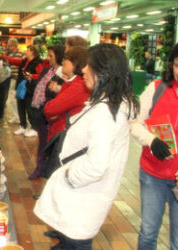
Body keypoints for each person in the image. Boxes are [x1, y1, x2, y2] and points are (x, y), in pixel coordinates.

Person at [34, 43, 139, 250]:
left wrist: (68, 176)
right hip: (84, 198)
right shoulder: (112, 104)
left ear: (103, 71)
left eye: (88, 66)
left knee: (75, 243)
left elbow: (95, 166)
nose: (83, 70)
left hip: (82, 198)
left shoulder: (106, 112)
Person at [130, 43, 178, 250]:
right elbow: (134, 123)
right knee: (148, 233)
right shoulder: (157, 88)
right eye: (177, 65)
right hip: (153, 175)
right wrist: (152, 141)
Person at [28, 45, 65, 179]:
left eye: (51, 56)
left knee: (46, 144)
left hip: (50, 115)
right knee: (42, 141)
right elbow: (39, 86)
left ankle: (43, 170)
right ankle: (40, 168)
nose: (48, 58)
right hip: (39, 112)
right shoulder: (47, 70)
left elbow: (59, 95)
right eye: (48, 55)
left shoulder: (61, 74)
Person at [3, 45, 44, 137]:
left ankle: (34, 128)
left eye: (28, 50)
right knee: (21, 107)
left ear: (33, 52)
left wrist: (32, 76)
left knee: (30, 109)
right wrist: (3, 56)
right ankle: (23, 126)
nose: (26, 51)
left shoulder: (38, 62)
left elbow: (41, 75)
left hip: (31, 89)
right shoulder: (25, 61)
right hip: (22, 88)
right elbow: (14, 61)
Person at [4, 38, 24, 124]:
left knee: (14, 99)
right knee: (12, 99)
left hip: (17, 79)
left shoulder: (21, 53)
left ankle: (17, 117)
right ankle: (15, 117)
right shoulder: (11, 54)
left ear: (13, 45)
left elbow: (22, 64)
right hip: (12, 78)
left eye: (9, 46)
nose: (8, 47)